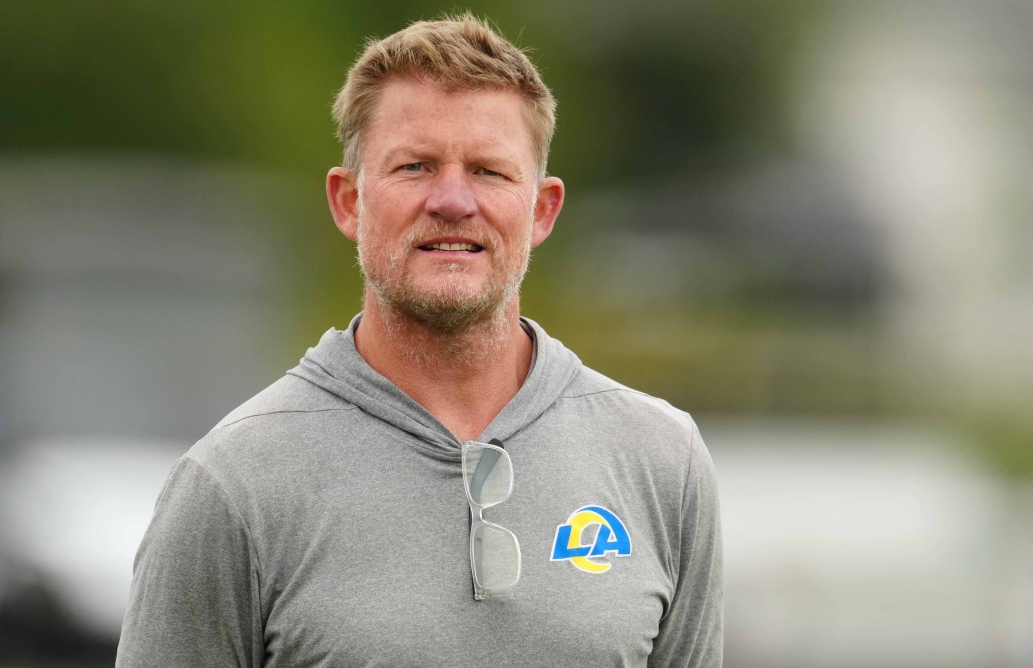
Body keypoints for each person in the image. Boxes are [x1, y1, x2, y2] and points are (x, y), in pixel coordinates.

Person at [117, 13, 722, 667]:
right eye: (415, 166)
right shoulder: (234, 487)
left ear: (542, 210)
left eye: (490, 171)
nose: (454, 200)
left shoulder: (664, 465)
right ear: (349, 202)